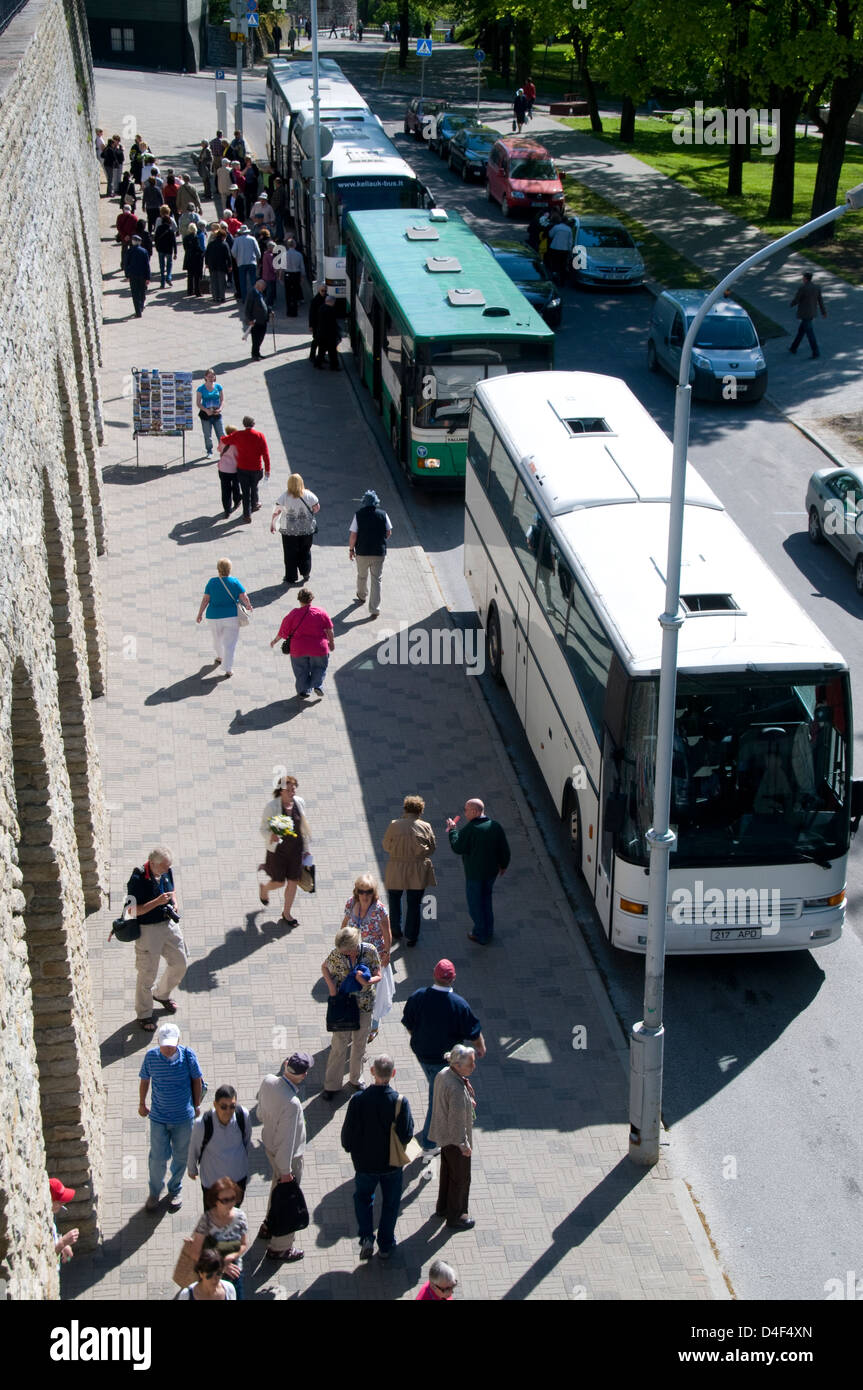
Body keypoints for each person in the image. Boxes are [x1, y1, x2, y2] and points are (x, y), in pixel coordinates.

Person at [401, 959, 485, 1151]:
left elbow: (408, 1022)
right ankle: (430, 1143)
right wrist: (481, 1048)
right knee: (436, 1097)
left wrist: (419, 1037)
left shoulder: (418, 997)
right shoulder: (459, 1005)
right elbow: (474, 1032)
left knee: (435, 1088)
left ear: (434, 975)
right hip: (446, 1061)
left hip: (422, 1053)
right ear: (453, 978)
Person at [340, 1054, 413, 1260]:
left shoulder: (358, 1100)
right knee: (391, 1203)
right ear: (393, 1073)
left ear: (372, 1072)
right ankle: (386, 1244)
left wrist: (349, 1149)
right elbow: (407, 1133)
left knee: (363, 1199)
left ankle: (366, 1237)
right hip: (391, 1163)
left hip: (364, 1163)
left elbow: (348, 1133)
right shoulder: (400, 1101)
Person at [139, 1022, 203, 1213]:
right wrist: (142, 1103)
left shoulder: (188, 1056)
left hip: (183, 1118)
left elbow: (196, 1080)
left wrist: (197, 1104)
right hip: (158, 1117)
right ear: (158, 1041)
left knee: (181, 1156)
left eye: (171, 1045)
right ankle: (154, 1192)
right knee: (157, 1158)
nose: (167, 1048)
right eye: (164, 1044)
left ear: (178, 1041)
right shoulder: (151, 1057)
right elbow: (144, 1080)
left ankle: (175, 1189)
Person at [256, 1052, 312, 1262]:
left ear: (286, 1064)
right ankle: (281, 1247)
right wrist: (287, 1172)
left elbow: (260, 1114)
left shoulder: (268, 1080)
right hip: (287, 1159)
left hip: (270, 1145)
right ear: (303, 1075)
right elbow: (287, 1140)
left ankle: (268, 1225)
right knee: (288, 1199)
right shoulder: (292, 1103)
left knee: (276, 1189)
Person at [127, 848, 188, 1031]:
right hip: (148, 931)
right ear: (152, 863)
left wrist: (174, 903)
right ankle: (144, 1014)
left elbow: (172, 890)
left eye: (168, 866)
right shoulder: (137, 879)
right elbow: (131, 911)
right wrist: (157, 903)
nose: (168, 869)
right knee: (147, 974)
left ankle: (161, 994)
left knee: (180, 963)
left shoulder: (167, 870)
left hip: (168, 925)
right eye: (164, 866)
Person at [321, 927, 381, 1100]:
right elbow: (324, 967)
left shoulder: (369, 951)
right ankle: (332, 1085)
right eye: (342, 951)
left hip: (364, 1004)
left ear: (355, 946)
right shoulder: (337, 953)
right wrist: (332, 987)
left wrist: (368, 980)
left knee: (359, 1043)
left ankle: (356, 1079)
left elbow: (379, 974)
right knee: (339, 1044)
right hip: (344, 1004)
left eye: (347, 951)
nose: (344, 954)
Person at [446, 798, 511, 945]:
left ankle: (480, 933)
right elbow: (504, 849)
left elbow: (458, 847)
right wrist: (503, 865)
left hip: (475, 874)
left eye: (466, 810)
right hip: (491, 873)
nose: (465, 812)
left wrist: (453, 830)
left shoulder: (471, 829)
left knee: (475, 904)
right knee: (486, 901)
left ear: (475, 811)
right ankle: (489, 930)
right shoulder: (495, 826)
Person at [430, 1044, 478, 1230]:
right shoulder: (457, 1090)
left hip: (443, 1135)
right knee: (461, 1178)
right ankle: (456, 1216)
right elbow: (457, 1122)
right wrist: (463, 1145)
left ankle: (443, 1207)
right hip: (455, 1140)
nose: (473, 1067)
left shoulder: (444, 1073)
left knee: (447, 1172)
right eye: (470, 1064)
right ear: (457, 1065)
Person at [341, 875, 393, 1042]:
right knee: (355, 989)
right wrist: (341, 944)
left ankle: (374, 1024)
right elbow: (345, 923)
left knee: (375, 992)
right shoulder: (351, 903)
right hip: (354, 955)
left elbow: (387, 932)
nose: (365, 895)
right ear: (357, 891)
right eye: (362, 891)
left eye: (368, 891)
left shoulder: (379, 910)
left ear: (373, 892)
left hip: (374, 957)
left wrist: (386, 953)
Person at [382, 794, 437, 946]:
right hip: (417, 869)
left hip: (396, 867)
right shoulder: (426, 826)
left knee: (394, 898)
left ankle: (395, 929)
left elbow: (386, 845)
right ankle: (411, 936)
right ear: (420, 810)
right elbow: (432, 848)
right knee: (414, 903)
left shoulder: (394, 825)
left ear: (405, 809)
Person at [258, 775, 312, 925]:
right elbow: (263, 829)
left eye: (293, 789)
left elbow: (303, 828)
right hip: (278, 852)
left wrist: (307, 850)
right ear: (280, 791)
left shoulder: (299, 803)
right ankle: (264, 889)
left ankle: (287, 913)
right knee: (279, 882)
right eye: (288, 789)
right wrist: (271, 835)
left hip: (296, 851)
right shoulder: (272, 807)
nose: (291, 792)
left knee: (293, 881)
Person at [186, 1179, 249, 1298]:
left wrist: (232, 1256)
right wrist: (222, 1266)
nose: (230, 1204)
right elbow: (195, 1252)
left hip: (234, 1269)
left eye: (233, 1198)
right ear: (216, 1201)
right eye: (225, 1200)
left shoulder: (240, 1216)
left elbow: (244, 1244)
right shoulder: (207, 1220)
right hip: (210, 1272)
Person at [187, 1086, 251, 1200]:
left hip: (237, 1179)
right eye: (223, 1107)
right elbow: (194, 1149)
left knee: (234, 1214)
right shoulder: (202, 1124)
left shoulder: (243, 1116)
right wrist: (192, 1169)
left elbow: (246, 1140)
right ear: (215, 1105)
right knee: (212, 1216)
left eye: (232, 1106)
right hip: (212, 1184)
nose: (228, 1111)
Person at [270, 587, 335, 698]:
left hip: (298, 649)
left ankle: (303, 690)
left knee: (301, 669)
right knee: (320, 667)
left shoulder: (294, 614)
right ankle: (317, 685)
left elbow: (283, 631)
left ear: (299, 600)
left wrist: (274, 641)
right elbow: (329, 629)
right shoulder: (320, 612)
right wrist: (331, 643)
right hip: (318, 648)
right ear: (311, 599)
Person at [196, 557, 252, 678]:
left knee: (217, 639)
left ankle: (220, 656)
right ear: (229, 569)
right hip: (231, 616)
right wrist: (248, 606)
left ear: (218, 569)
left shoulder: (212, 582)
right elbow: (244, 596)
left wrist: (200, 613)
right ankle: (228, 668)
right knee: (230, 644)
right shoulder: (235, 582)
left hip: (213, 616)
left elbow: (206, 599)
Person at [270, 471, 320, 584]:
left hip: (288, 531)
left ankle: (291, 576)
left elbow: (276, 512)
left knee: (289, 554)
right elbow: (316, 508)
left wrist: (273, 524)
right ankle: (305, 572)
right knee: (305, 551)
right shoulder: (309, 495)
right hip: (306, 529)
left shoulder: (284, 496)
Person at [349, 488, 392, 618]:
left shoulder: (358, 514)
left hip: (362, 552)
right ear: (376, 502)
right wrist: (380, 539)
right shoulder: (383, 514)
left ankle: (362, 595)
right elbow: (389, 532)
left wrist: (351, 549)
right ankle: (374, 608)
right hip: (378, 552)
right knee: (376, 579)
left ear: (364, 502)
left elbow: (353, 535)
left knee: (362, 575)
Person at [230, 415, 270, 521]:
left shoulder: (238, 434)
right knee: (254, 486)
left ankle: (247, 514)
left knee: (245, 491)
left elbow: (226, 440)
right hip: (256, 469)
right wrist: (267, 470)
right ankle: (255, 504)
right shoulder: (260, 435)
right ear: (254, 424)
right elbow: (265, 454)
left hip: (242, 468)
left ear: (243, 424)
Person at [790, 271, 827, 359]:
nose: (802, 279)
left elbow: (797, 299)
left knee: (810, 334)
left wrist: (792, 304)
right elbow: (820, 301)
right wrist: (823, 312)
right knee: (801, 331)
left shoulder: (803, 288)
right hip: (812, 313)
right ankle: (793, 347)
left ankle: (816, 352)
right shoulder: (816, 287)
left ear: (805, 278)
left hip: (804, 314)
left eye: (803, 277)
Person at [50, 1177, 79, 1266]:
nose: (63, 1205)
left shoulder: (50, 1216)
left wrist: (63, 1246)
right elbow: (47, 1258)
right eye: (60, 1202)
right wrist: (63, 1242)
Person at [196, 368, 224, 457]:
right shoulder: (201, 389)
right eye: (209, 377)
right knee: (207, 435)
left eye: (213, 376)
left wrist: (220, 409)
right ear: (205, 377)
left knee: (221, 433)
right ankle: (209, 451)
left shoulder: (218, 387)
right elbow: (198, 403)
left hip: (216, 413)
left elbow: (222, 400)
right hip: (206, 414)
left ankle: (224, 451)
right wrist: (206, 410)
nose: (211, 378)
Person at [216, 425, 242, 516]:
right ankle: (237, 501)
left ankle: (227, 510)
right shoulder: (238, 442)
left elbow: (219, 449)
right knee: (236, 486)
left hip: (223, 469)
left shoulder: (223, 440)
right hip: (235, 469)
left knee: (225, 489)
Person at [244, 277, 272, 361]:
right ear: (258, 286)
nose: (264, 288)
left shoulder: (260, 293)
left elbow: (264, 304)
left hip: (263, 320)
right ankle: (254, 354)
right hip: (256, 321)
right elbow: (247, 309)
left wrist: (270, 311)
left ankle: (258, 353)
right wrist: (250, 320)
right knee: (256, 339)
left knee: (261, 337)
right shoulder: (252, 294)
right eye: (263, 287)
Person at [275, 237, 304, 316]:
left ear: (288, 245)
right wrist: (302, 277)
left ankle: (289, 311)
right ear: (294, 245)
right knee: (295, 293)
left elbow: (282, 267)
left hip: (288, 274)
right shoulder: (299, 255)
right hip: (296, 274)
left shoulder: (284, 255)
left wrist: (280, 276)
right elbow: (302, 267)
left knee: (288, 293)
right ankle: (295, 311)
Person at [232, 224, 261, 302]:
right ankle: (255, 297)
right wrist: (258, 259)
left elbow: (233, 252)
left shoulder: (237, 240)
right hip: (252, 262)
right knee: (253, 281)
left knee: (243, 282)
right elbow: (258, 252)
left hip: (241, 263)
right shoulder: (252, 239)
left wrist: (237, 258)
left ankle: (245, 299)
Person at [312, 293, 342, 369]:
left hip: (321, 333)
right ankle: (334, 366)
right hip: (329, 335)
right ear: (331, 302)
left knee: (321, 350)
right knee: (332, 352)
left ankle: (317, 364)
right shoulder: (330, 310)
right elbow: (334, 321)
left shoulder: (321, 308)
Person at [205, 225, 232, 304]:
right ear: (223, 236)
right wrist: (230, 265)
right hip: (222, 266)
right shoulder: (224, 244)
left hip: (212, 265)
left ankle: (215, 297)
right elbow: (228, 256)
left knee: (214, 281)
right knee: (222, 281)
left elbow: (207, 254)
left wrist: (206, 263)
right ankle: (222, 297)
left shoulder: (211, 244)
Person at [125, 234, 150, 316]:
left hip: (133, 275)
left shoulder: (129, 251)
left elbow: (126, 264)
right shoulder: (144, 251)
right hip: (142, 275)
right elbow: (147, 265)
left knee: (135, 293)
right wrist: (148, 277)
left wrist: (127, 275)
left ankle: (138, 311)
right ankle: (141, 305)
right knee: (142, 291)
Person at [153, 206, 178, 288]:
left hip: (160, 247)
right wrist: (175, 252)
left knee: (161, 265)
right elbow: (176, 229)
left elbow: (155, 233)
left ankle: (162, 282)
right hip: (169, 247)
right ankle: (169, 277)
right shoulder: (171, 221)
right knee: (169, 263)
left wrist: (156, 246)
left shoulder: (158, 220)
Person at [546, 215, 574, 287]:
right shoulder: (569, 229)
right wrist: (570, 250)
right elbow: (570, 241)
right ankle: (562, 280)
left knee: (554, 263)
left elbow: (550, 235)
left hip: (555, 248)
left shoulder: (556, 227)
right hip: (564, 249)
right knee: (562, 265)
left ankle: (554, 277)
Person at [182, 217, 205, 297]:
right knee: (197, 276)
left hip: (188, 258)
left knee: (190, 275)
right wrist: (202, 253)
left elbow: (185, 248)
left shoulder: (185, 238)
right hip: (196, 258)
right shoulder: (196, 238)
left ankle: (190, 290)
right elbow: (198, 248)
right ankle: (197, 291)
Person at [116, 203, 139, 272]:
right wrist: (129, 235)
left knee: (124, 251)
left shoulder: (119, 217)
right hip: (132, 238)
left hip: (124, 238)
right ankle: (132, 264)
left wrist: (124, 235)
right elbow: (135, 228)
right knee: (132, 251)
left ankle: (123, 265)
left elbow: (119, 227)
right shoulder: (134, 218)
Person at [308, 281, 327, 358]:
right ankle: (312, 356)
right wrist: (311, 325)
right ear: (319, 290)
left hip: (324, 324)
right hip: (316, 324)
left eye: (325, 291)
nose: (324, 292)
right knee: (316, 341)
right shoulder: (315, 300)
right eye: (322, 291)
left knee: (323, 342)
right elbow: (311, 314)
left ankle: (321, 357)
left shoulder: (327, 298)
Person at [260, 232, 278, 308]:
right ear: (270, 248)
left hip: (265, 275)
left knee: (268, 290)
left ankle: (268, 304)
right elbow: (273, 266)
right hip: (270, 276)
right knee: (270, 291)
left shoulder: (265, 254)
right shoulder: (270, 256)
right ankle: (268, 305)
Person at [214, 158, 233, 222]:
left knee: (224, 204)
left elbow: (216, 180)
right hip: (229, 189)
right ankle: (230, 216)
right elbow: (232, 179)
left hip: (221, 189)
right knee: (230, 203)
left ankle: (225, 217)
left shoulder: (218, 170)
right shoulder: (230, 170)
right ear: (226, 164)